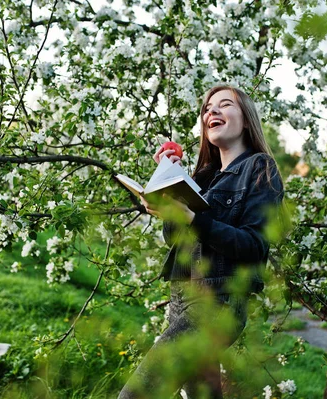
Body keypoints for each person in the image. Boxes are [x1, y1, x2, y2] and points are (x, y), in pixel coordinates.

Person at [118, 85, 284, 399]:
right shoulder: (204, 176)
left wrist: (195, 219)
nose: (212, 112)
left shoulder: (260, 168)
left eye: (224, 105)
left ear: (246, 120)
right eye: (208, 109)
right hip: (181, 298)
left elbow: (253, 246)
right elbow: (175, 237)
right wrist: (169, 179)